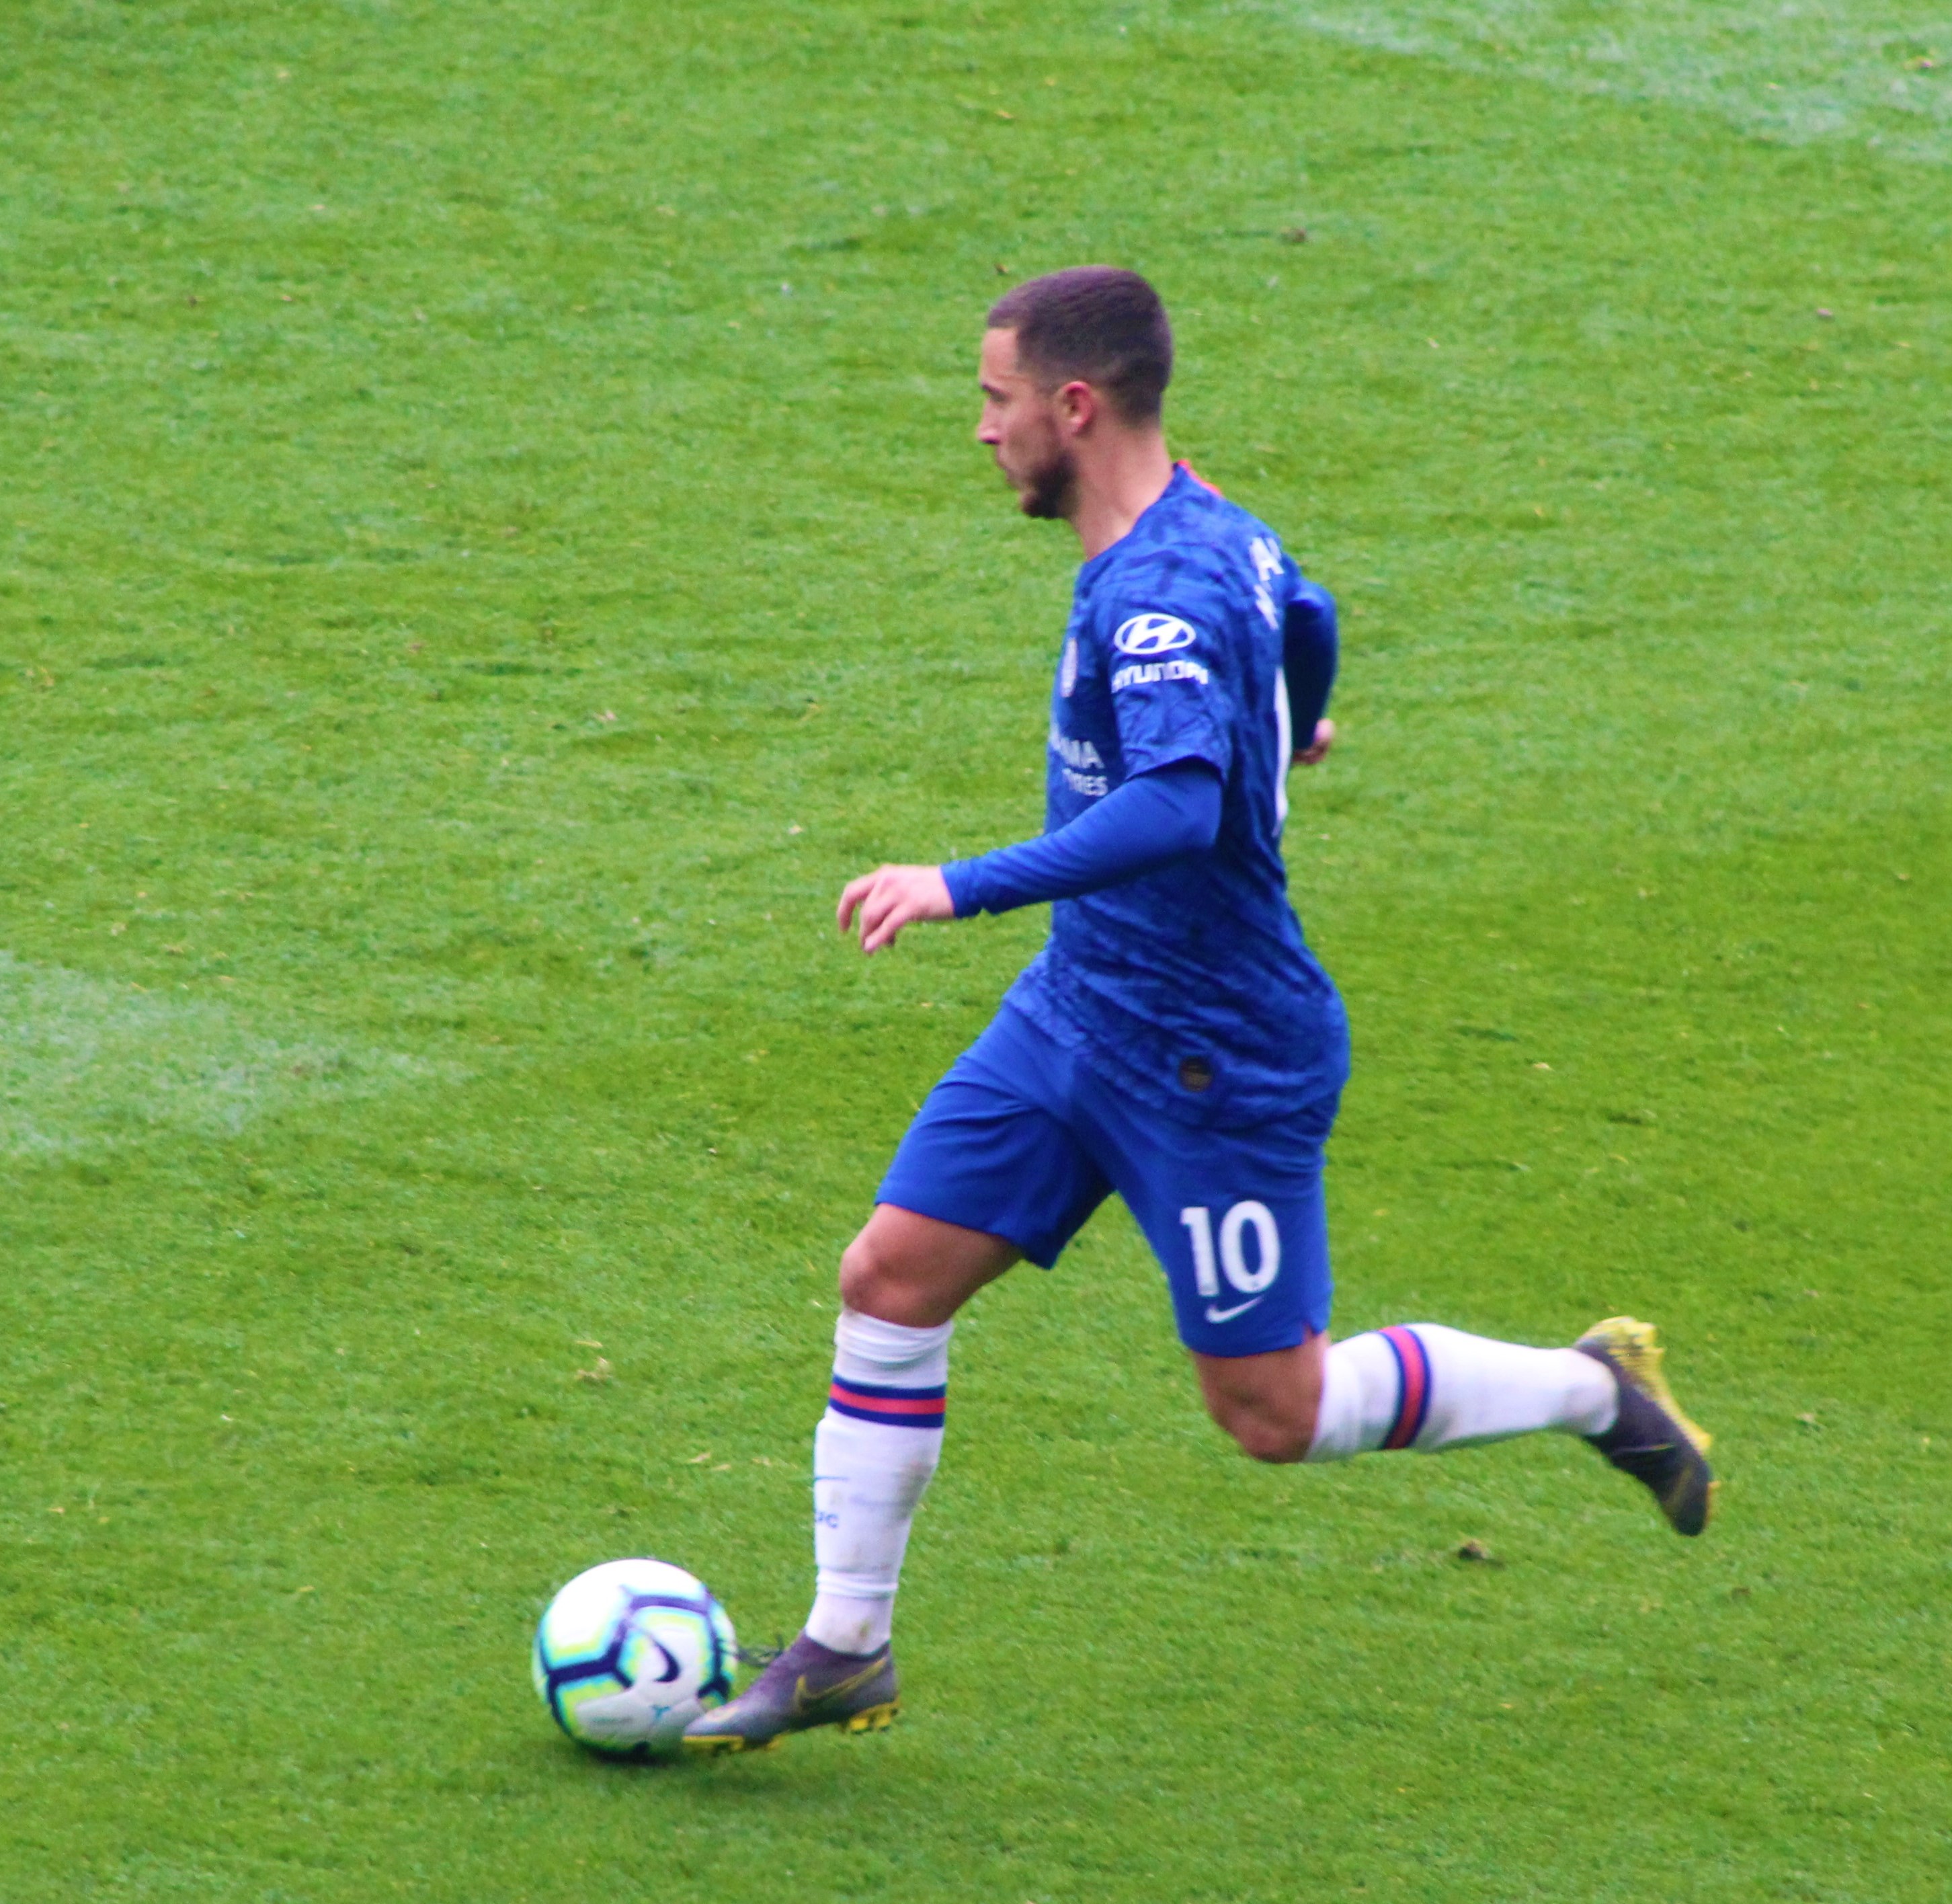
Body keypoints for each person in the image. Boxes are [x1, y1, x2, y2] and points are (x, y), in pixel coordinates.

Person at [686, 267, 1713, 1753]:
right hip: (1077, 1008)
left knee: (1270, 1413)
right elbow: (1308, 611)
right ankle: (846, 1645)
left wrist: (959, 883)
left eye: (994, 399)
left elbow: (1175, 805)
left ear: (1072, 406)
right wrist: (1290, 723)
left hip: (1212, 1054)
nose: (981, 430)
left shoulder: (1156, 591)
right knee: (889, 1279)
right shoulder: (1209, 522)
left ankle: (1589, 1388)